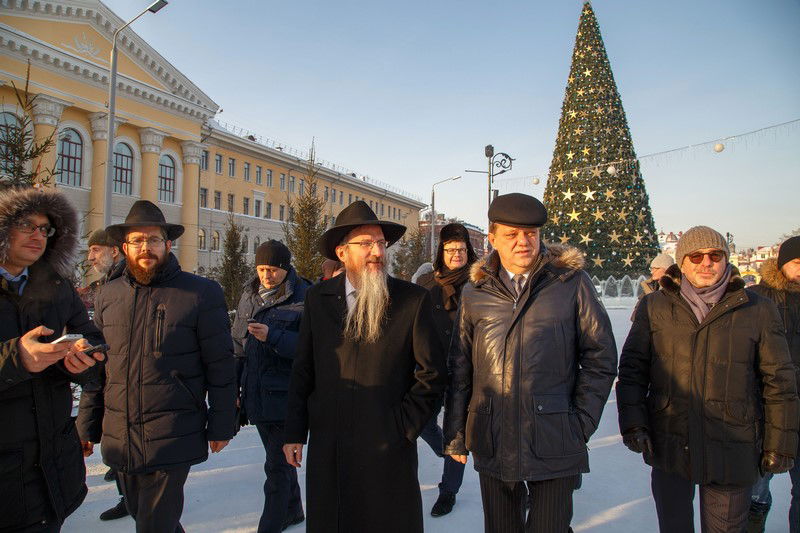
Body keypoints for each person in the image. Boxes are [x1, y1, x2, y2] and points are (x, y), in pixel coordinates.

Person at [444, 193, 618, 533]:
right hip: (492, 435)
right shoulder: (476, 291)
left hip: (554, 436)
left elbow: (601, 354)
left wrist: (580, 422)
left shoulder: (570, 283)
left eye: (531, 234)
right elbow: (460, 365)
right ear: (492, 238)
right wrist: (456, 432)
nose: (523, 242)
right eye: (512, 234)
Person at [617, 226, 799, 533]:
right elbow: (633, 371)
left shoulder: (758, 309)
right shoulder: (656, 306)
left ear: (726, 260)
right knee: (674, 525)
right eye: (696, 255)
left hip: (734, 443)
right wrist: (634, 423)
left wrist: (779, 444)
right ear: (682, 262)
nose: (706, 263)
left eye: (715, 255)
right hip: (670, 441)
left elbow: (779, 382)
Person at [282, 200, 446, 533]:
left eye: (381, 243)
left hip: (386, 450)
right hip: (330, 447)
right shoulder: (318, 298)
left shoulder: (411, 300)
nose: (377, 251)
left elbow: (432, 375)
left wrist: (402, 427)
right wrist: (294, 432)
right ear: (342, 252)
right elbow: (304, 368)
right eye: (366, 243)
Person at [77, 200, 237, 533]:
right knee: (142, 515)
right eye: (138, 240)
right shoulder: (108, 295)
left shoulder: (200, 293)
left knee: (154, 524)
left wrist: (222, 422)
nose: (145, 247)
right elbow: (98, 370)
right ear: (125, 247)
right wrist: (87, 425)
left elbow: (220, 365)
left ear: (167, 244)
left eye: (154, 240)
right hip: (121, 432)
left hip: (173, 430)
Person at [0, 186, 105, 532]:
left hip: (52, 467)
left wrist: (83, 357)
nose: (37, 235)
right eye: (26, 225)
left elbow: (90, 335)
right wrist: (18, 358)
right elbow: (23, 357)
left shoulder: (57, 286)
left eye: (44, 229)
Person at [232, 240, 309, 532]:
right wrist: (237, 391)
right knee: (277, 459)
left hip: (286, 397)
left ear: (286, 268)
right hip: (256, 393)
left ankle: (271, 524)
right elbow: (237, 346)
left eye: (274, 269)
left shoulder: (303, 296)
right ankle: (294, 510)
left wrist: (273, 336)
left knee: (276, 466)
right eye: (262, 268)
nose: (267, 275)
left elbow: (311, 348)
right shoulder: (249, 294)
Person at [415, 223, 477, 517]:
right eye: (451, 249)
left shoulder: (481, 282)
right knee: (424, 423)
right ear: (441, 251)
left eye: (461, 250)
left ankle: (448, 491)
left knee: (457, 433)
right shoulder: (428, 282)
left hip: (468, 369)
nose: (456, 254)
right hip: (432, 367)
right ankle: (450, 452)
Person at [746, 235, 800, 533]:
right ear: (782, 264)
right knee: (755, 489)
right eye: (796, 262)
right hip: (765, 409)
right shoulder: (758, 297)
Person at [78, 228, 129, 521]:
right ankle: (127, 496)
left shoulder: (125, 284)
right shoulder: (106, 286)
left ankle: (132, 498)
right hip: (109, 381)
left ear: (115, 251)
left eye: (96, 250)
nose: (91, 257)